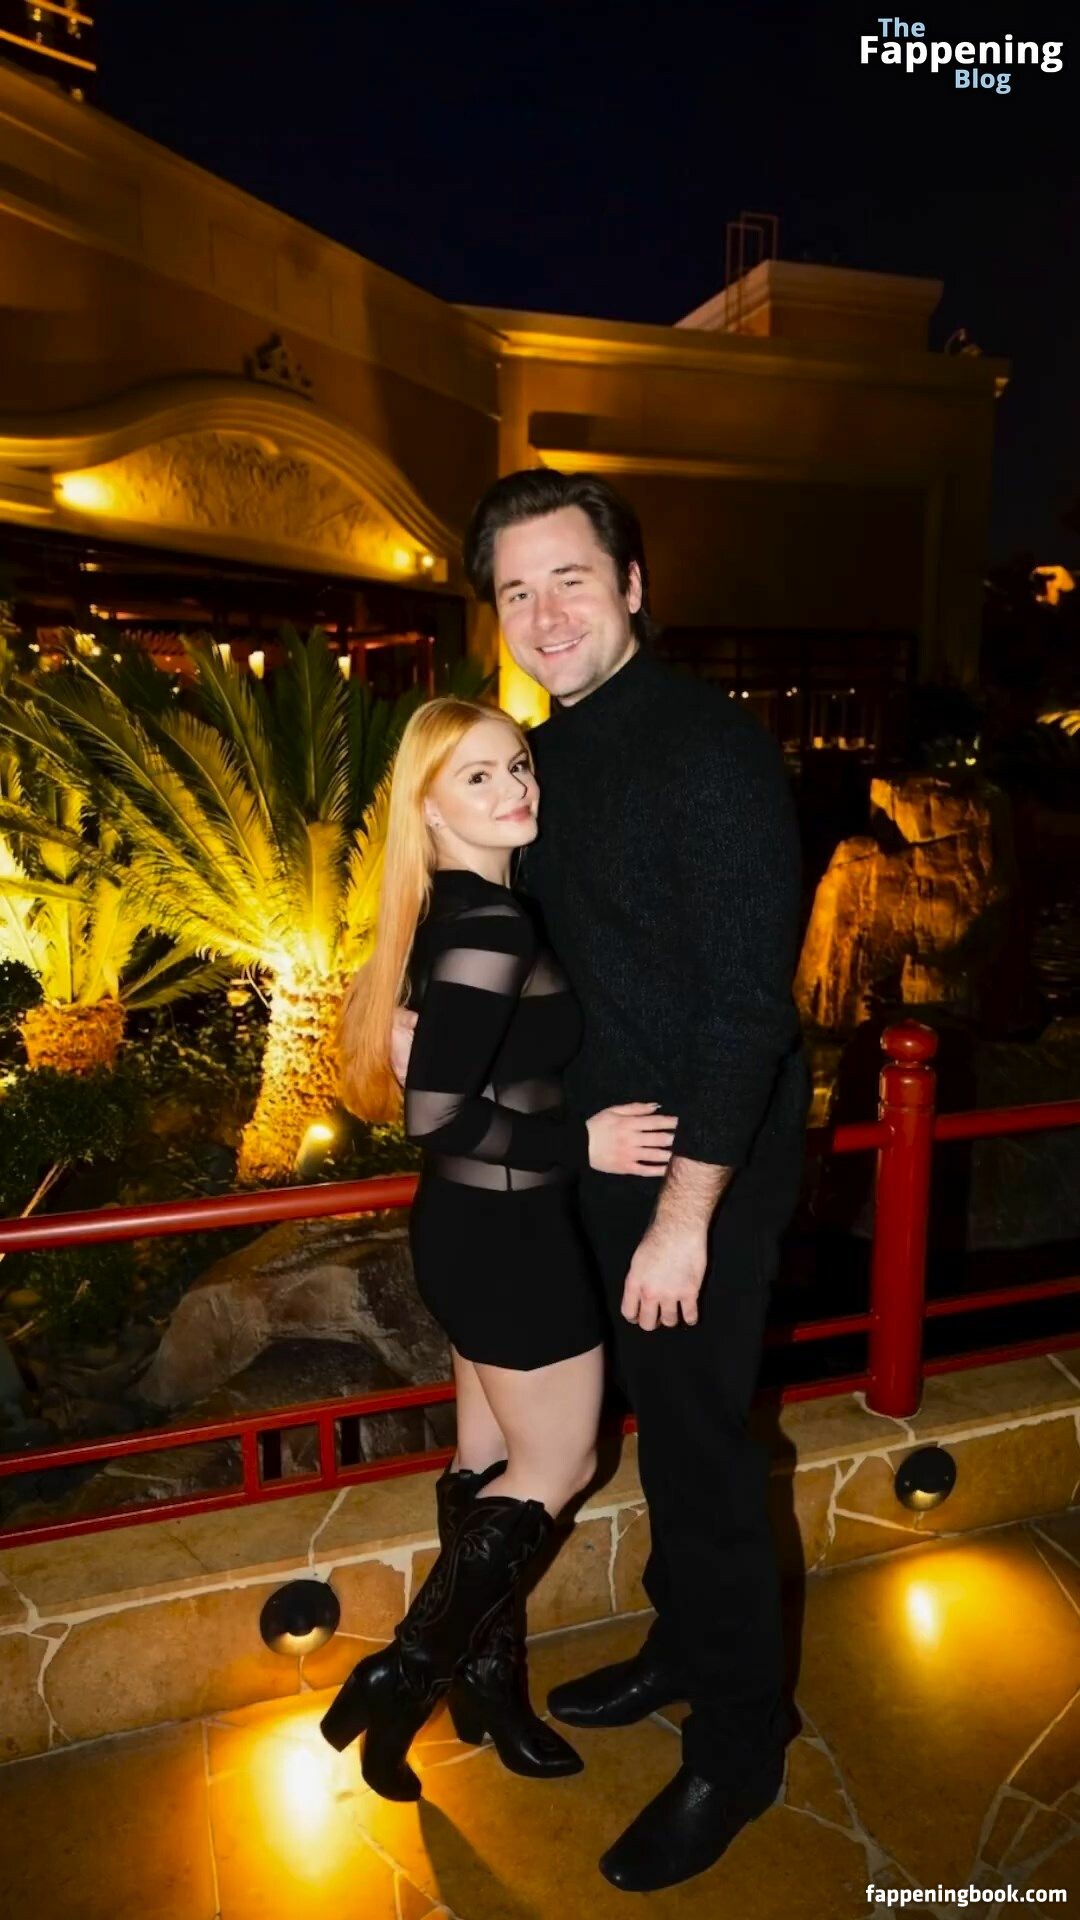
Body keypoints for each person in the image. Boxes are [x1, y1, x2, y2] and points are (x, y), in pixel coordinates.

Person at [391, 470, 811, 1893]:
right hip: (587, 1162)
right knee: (662, 1441)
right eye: (517, 590)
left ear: (632, 587)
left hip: (699, 1178)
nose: (545, 611)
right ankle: (681, 1649)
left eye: (571, 578)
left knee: (702, 1456)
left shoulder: (708, 748)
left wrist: (688, 1216)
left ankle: (740, 1750)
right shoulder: (540, 758)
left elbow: (748, 1012)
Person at [322, 695, 676, 1804]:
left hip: (467, 1229)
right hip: (511, 1233)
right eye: (477, 776)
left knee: (484, 1467)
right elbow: (436, 1113)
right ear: (428, 807)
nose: (515, 786)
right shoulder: (490, 926)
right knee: (560, 1466)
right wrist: (585, 1141)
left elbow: (441, 1067)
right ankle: (404, 1670)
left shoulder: (446, 914)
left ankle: (486, 1690)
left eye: (516, 764)